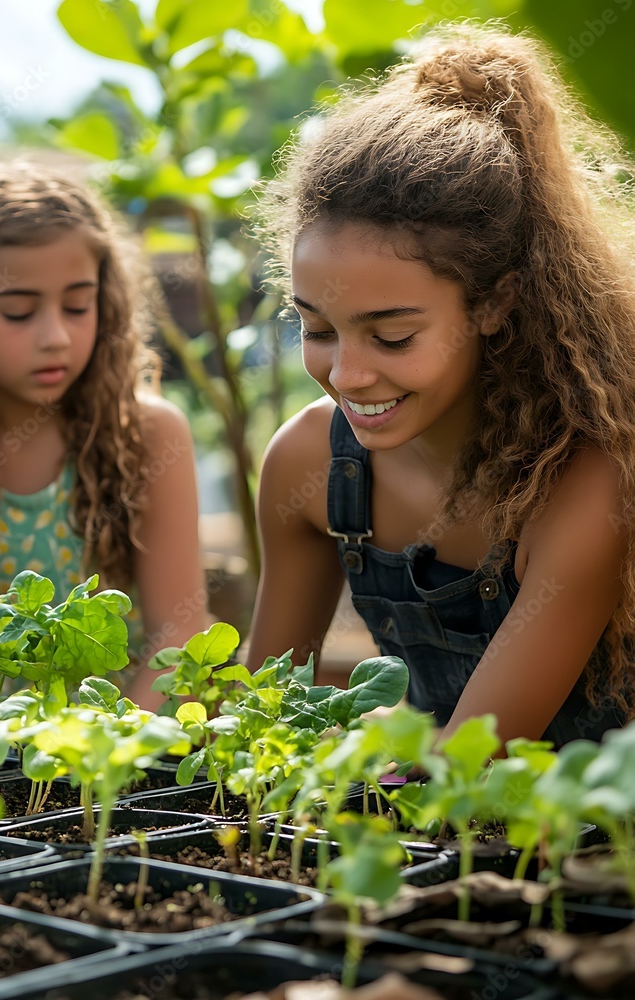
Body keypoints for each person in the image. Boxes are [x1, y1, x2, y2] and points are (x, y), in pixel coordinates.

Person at [246, 22, 635, 748]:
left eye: (391, 335)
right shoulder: (308, 466)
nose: (347, 374)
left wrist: (372, 757)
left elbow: (474, 755)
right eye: (318, 329)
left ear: (494, 303)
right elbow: (264, 719)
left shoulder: (586, 481)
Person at [0, 160, 207, 709]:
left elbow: (178, 640)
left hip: (122, 756)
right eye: (17, 312)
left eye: (78, 305)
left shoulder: (146, 434)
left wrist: (108, 755)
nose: (56, 336)